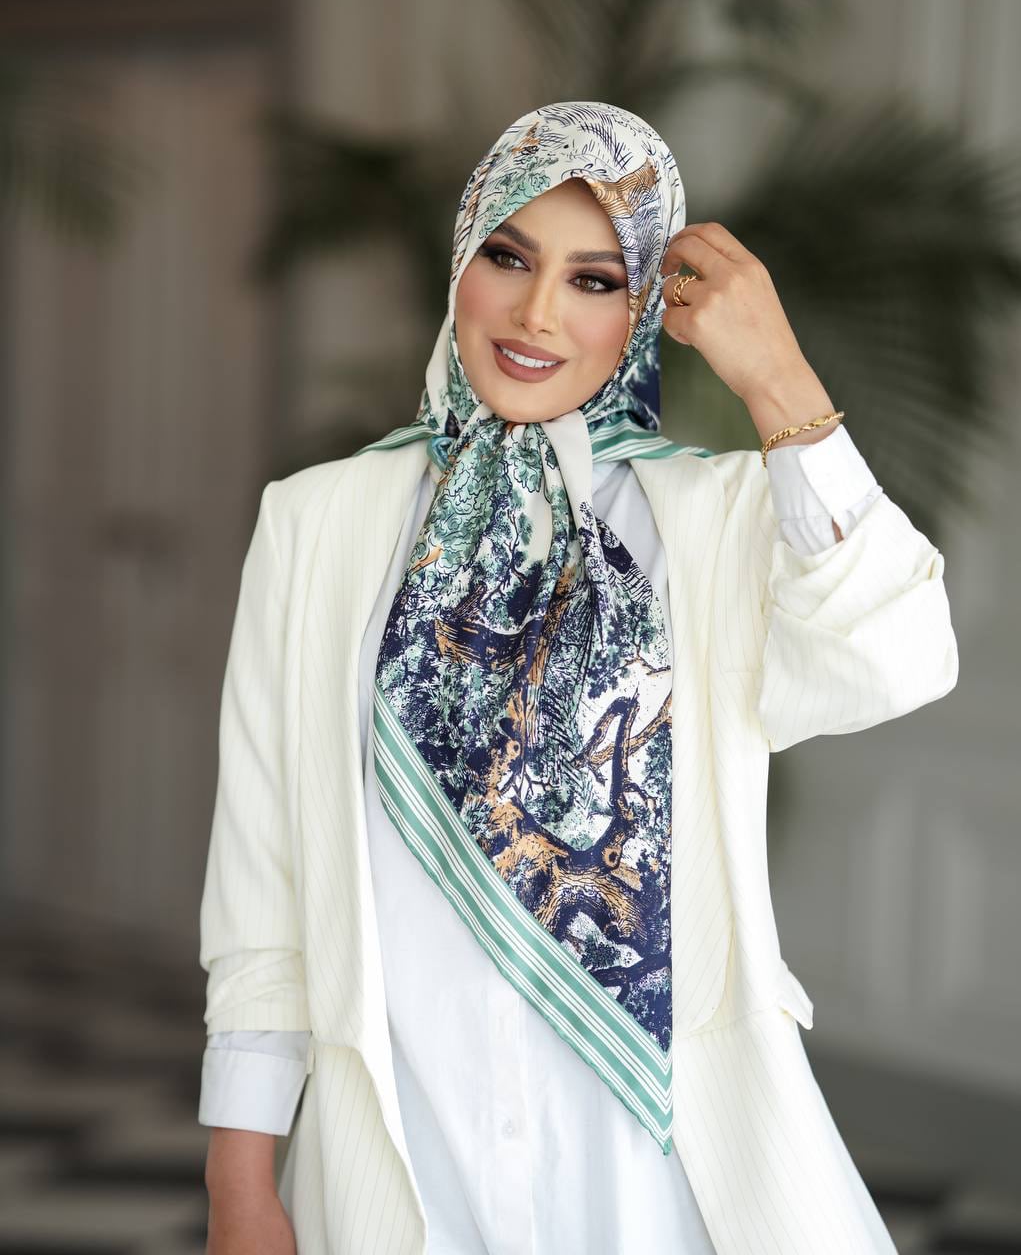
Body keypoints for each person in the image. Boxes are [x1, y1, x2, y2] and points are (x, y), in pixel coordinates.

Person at [198, 101, 958, 1255]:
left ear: (643, 307)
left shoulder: (716, 519)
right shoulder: (317, 524)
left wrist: (779, 383)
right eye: (507, 257)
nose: (537, 312)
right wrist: (239, 1181)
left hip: (653, 1167)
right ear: (461, 261)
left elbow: (896, 657)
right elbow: (262, 882)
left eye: (595, 279)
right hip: (400, 1159)